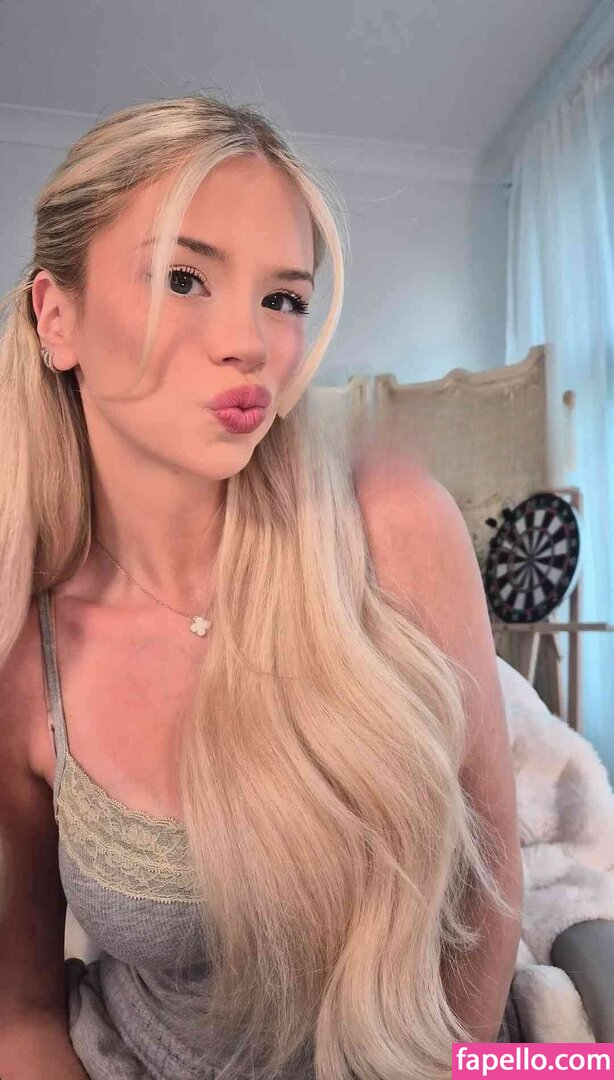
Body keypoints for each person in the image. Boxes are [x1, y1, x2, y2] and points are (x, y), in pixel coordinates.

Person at [0, 95, 521, 1079]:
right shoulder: (29, 665)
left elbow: (488, 883)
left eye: (283, 298)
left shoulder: (393, 527)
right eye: (184, 278)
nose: (249, 342)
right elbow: (20, 1008)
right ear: (55, 317)